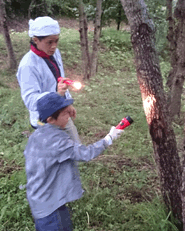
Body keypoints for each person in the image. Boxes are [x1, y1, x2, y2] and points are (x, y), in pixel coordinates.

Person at [24, 92, 124, 231]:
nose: (69, 116)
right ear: (51, 119)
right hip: (52, 208)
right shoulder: (56, 140)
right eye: (65, 114)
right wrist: (109, 138)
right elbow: (85, 153)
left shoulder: (39, 134)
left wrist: (64, 109)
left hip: (40, 202)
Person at [16, 16, 80, 143]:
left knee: (74, 147)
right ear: (35, 40)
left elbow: (60, 80)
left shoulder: (55, 54)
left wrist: (67, 102)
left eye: (56, 41)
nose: (54, 46)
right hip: (46, 120)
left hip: (61, 112)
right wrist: (56, 95)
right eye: (49, 42)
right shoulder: (28, 66)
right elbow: (31, 101)